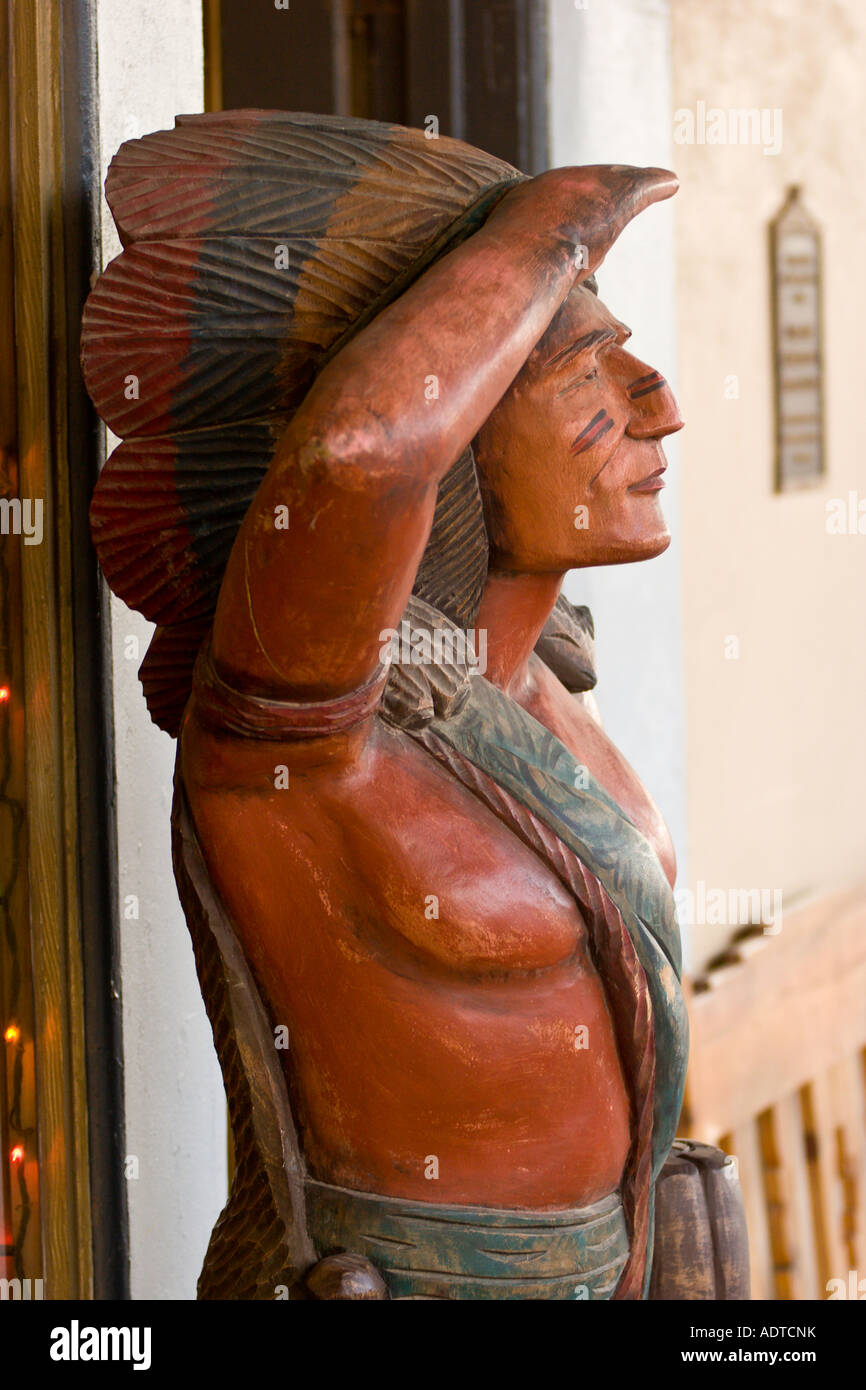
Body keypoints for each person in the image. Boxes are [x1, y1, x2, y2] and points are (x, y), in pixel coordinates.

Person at [83, 113, 689, 1300]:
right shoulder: (302, 737)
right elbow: (357, 454)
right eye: (583, 372)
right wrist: (551, 227)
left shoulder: (525, 698)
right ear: (452, 421)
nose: (658, 402)